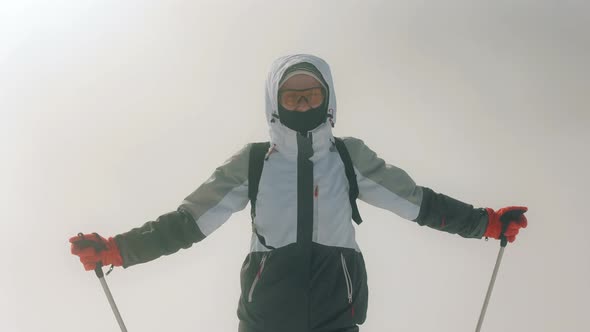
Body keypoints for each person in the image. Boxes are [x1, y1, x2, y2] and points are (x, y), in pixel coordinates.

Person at [69, 54, 528, 332]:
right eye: (292, 97)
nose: (303, 103)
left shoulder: (348, 158)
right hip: (266, 318)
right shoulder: (251, 163)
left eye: (312, 94)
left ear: (328, 100)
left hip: (337, 312)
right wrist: (119, 250)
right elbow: (191, 221)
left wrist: (484, 222)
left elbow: (417, 203)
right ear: (275, 103)